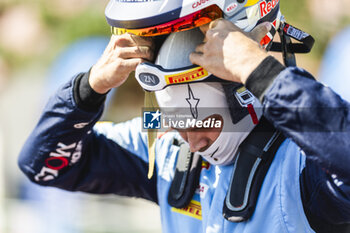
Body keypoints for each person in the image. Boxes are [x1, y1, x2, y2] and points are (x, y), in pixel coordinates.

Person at [18, 1, 350, 233]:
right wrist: (89, 89)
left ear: (244, 94)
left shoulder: (301, 165)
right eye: (175, 119)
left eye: (203, 120)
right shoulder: (165, 146)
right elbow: (42, 165)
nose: (191, 136)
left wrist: (262, 71)